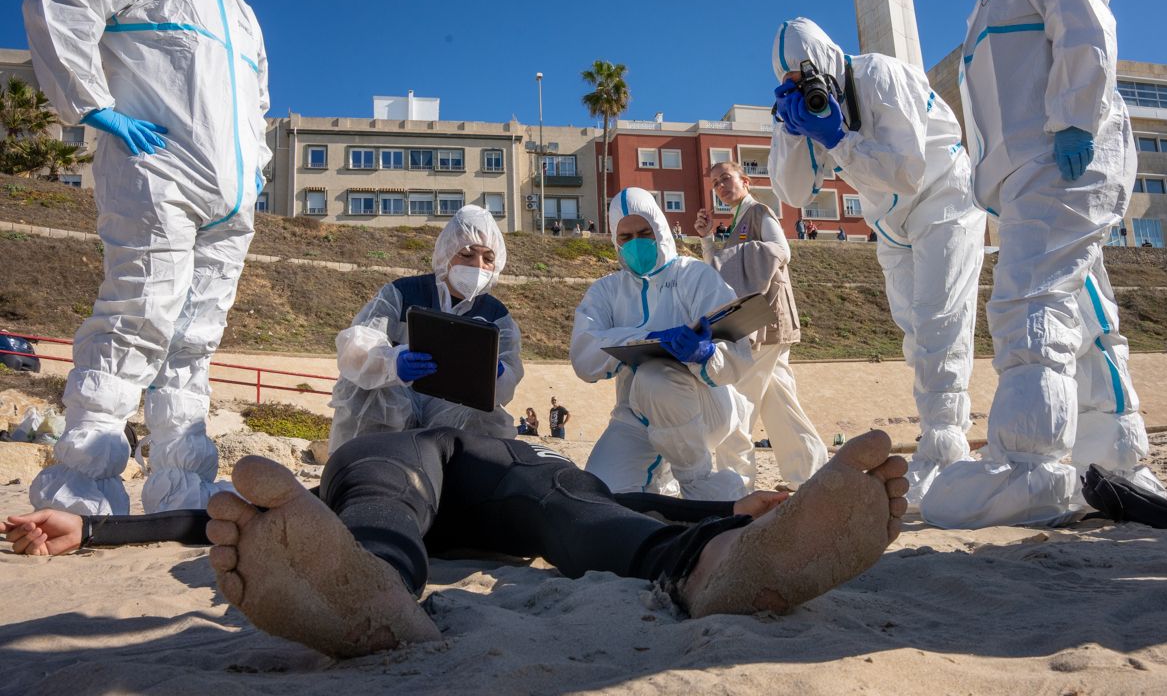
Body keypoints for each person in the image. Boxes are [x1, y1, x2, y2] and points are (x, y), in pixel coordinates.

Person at [2, 428, 909, 658]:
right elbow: (222, 518)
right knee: (392, 501)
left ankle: (717, 559)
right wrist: (100, 526)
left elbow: (618, 495)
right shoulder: (390, 426)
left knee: (571, 504)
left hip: (506, 466)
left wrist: (724, 508)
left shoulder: (486, 432)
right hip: (415, 463)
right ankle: (371, 587)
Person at [916, 0, 1167, 527]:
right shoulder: (983, 4)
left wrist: (1074, 118)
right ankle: (1118, 458)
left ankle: (1031, 467)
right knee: (1082, 310)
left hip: (1061, 159)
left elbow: (1084, 24)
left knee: (1027, 302)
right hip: (1025, 178)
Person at [22, 0, 275, 516]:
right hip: (158, 176)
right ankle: (83, 480)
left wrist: (255, 175)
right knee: (136, 318)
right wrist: (93, 107)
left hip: (230, 202)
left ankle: (181, 485)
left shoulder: (243, 18)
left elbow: (257, 107)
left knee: (194, 342)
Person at [770, 17, 987, 509]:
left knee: (940, 320)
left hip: (943, 197)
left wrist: (838, 140)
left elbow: (906, 173)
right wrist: (793, 131)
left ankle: (947, 448)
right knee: (915, 329)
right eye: (792, 85)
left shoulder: (884, 76)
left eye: (808, 78)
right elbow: (797, 192)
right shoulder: (806, 110)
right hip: (889, 221)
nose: (806, 89)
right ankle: (940, 435)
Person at [572, 188, 756, 500]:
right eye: (625, 236)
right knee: (601, 496)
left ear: (661, 229)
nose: (636, 243)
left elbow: (740, 355)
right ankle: (664, 484)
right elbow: (584, 357)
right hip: (635, 415)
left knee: (654, 376)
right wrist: (639, 340)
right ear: (615, 240)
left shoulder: (695, 275)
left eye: (644, 232)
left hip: (706, 407)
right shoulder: (606, 291)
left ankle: (699, 484)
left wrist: (706, 354)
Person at [328, 206, 524, 451]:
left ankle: (463, 480)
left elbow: (508, 382)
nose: (478, 265)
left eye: (488, 258)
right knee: (368, 390)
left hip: (450, 409)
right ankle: (363, 465)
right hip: (397, 400)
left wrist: (497, 374)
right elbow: (355, 348)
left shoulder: (496, 315)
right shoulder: (402, 293)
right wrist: (392, 363)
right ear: (447, 251)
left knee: (487, 417)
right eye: (466, 254)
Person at [696, 161, 828, 487]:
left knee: (738, 400)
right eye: (715, 183)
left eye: (726, 178)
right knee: (779, 403)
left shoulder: (759, 211)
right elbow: (722, 269)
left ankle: (735, 482)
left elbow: (780, 251)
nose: (721, 186)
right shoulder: (738, 220)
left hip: (763, 323)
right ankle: (809, 475)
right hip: (767, 322)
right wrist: (709, 238)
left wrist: (733, 253)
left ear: (745, 180)